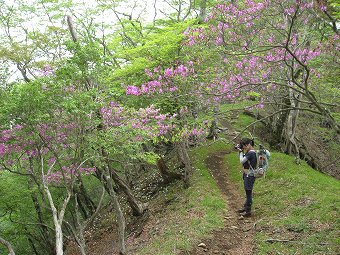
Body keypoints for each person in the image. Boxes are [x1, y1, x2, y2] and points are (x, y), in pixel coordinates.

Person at [236, 138, 257, 217]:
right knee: (248, 191)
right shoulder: (249, 152)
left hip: (249, 175)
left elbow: (242, 161)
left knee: (248, 192)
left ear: (248, 144)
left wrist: (241, 152)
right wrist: (241, 152)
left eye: (244, 146)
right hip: (247, 174)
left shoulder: (251, 153)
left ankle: (248, 210)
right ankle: (246, 207)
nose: (243, 148)